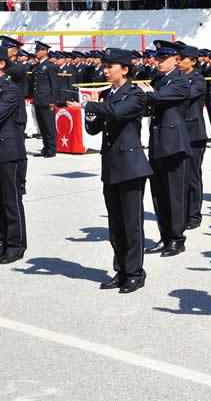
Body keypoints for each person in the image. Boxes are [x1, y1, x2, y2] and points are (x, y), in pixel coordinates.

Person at [68, 48, 152, 293]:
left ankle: (135, 272)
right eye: (104, 67)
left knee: (131, 223)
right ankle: (121, 269)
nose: (105, 71)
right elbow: (94, 130)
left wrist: (88, 105)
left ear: (124, 69)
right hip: (111, 165)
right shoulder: (106, 94)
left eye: (110, 67)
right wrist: (91, 115)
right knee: (115, 223)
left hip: (131, 165)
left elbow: (117, 113)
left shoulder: (135, 94)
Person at [138, 40, 191, 258]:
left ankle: (177, 238)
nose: (158, 61)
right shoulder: (158, 79)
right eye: (158, 57)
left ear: (176, 60)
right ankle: (165, 235)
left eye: (163, 58)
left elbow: (159, 97)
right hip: (158, 140)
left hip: (173, 144)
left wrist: (145, 93)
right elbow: (151, 104)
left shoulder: (181, 81)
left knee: (174, 194)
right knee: (159, 193)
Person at [0, 46, 26, 265]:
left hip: (8, 151)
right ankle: (2, 241)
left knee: (10, 200)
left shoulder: (10, 88)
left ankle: (15, 245)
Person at [177, 44, 207, 231]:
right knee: (180, 176)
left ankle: (194, 214)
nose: (179, 61)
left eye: (183, 59)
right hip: (178, 133)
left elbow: (186, 94)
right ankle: (182, 211)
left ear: (193, 61)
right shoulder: (177, 78)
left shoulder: (198, 79)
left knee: (193, 176)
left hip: (193, 134)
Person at [31, 41, 59, 158]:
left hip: (47, 100)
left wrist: (53, 101)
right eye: (36, 50)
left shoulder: (50, 66)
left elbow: (55, 85)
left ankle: (51, 149)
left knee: (49, 126)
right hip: (38, 99)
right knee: (42, 126)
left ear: (45, 51)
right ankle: (45, 148)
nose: (36, 52)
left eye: (38, 50)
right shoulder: (37, 66)